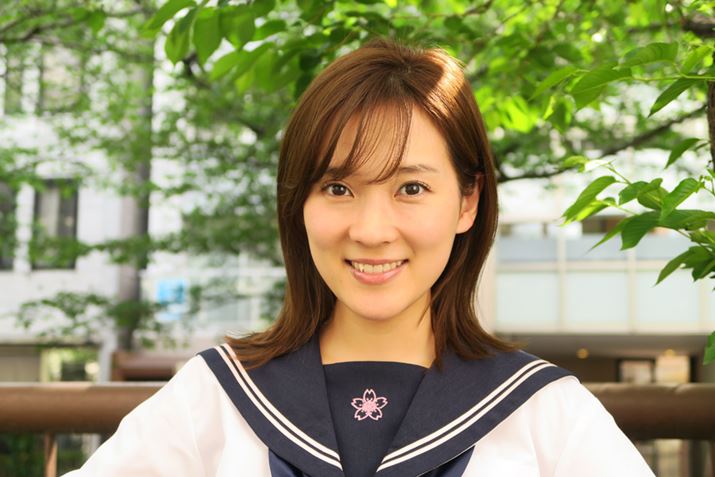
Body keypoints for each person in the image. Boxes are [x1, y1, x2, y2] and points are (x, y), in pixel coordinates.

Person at [63, 37, 655, 477]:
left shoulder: (544, 412)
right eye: (338, 188)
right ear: (299, 203)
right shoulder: (215, 397)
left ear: (467, 201)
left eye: (411, 188)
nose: (371, 231)